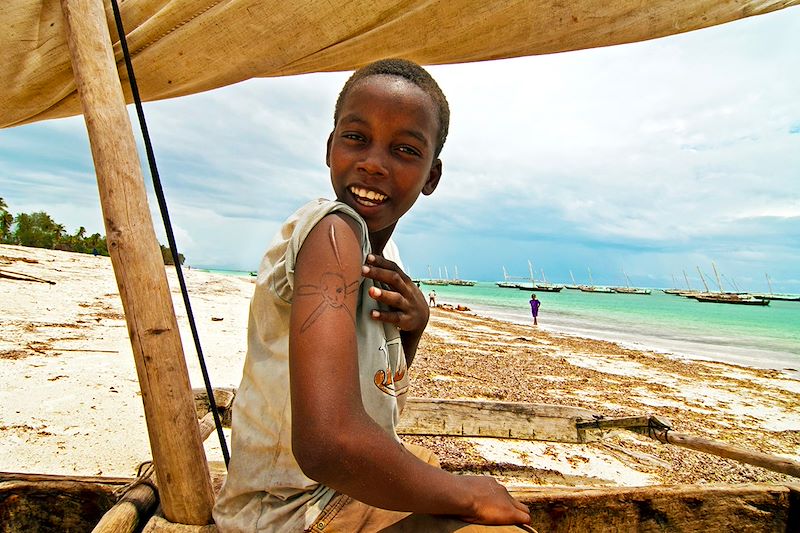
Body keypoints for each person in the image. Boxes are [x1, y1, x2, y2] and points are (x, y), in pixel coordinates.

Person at [213, 59, 532, 532]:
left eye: (404, 149)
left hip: (335, 492)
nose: (373, 162)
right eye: (356, 138)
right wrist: (467, 494)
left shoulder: (380, 253)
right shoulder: (333, 234)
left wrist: (414, 329)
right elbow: (328, 445)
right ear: (330, 147)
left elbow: (378, 398)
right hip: (289, 512)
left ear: (431, 176)